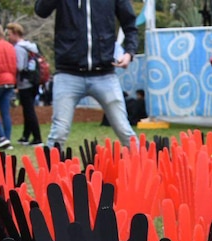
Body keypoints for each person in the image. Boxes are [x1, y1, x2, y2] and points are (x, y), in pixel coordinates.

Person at [34, 0, 138, 148]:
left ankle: (144, 168)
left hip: (104, 74)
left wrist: (129, 52)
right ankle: (51, 170)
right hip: (68, 74)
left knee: (124, 130)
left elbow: (130, 25)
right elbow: (41, 11)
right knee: (59, 132)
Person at [6, 22, 43, 146]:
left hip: (25, 82)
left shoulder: (18, 48)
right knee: (27, 108)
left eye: (10, 34)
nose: (9, 37)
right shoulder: (30, 46)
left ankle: (37, 137)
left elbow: (20, 66)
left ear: (16, 34)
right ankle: (26, 136)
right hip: (34, 81)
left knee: (28, 110)